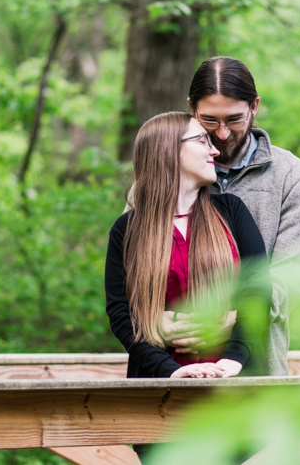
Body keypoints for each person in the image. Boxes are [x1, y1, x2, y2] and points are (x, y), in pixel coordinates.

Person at [105, 111, 272, 383]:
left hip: (235, 382)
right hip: (159, 385)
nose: (214, 150)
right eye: (202, 140)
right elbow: (122, 314)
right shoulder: (127, 230)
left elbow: (258, 289)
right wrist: (169, 370)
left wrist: (234, 357)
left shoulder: (231, 212)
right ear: (168, 150)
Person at [180, 56, 300, 376]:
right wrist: (155, 319)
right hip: (173, 362)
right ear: (191, 108)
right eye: (209, 121)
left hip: (258, 366)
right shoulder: (161, 176)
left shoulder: (292, 176)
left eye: (235, 119)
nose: (223, 133)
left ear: (254, 106)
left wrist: (235, 320)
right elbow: (134, 266)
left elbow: (292, 277)